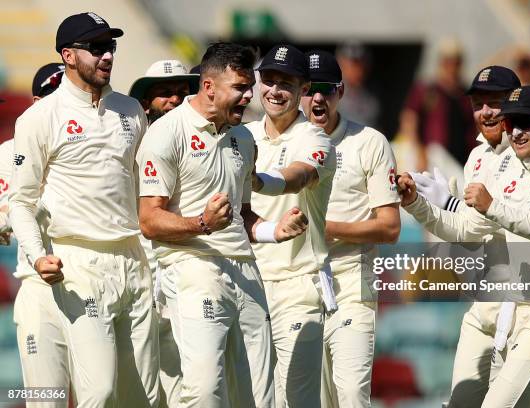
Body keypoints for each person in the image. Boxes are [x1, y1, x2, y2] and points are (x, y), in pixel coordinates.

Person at [138, 42, 308, 408]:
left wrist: (274, 231)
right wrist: (202, 223)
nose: (249, 96)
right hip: (192, 269)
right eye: (239, 88)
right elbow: (150, 220)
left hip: (245, 270)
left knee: (260, 396)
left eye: (249, 87)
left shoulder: (244, 138)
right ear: (209, 86)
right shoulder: (166, 133)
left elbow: (243, 215)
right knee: (205, 391)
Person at [399, 85, 530, 407]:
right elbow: (469, 229)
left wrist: (494, 207)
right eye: (510, 123)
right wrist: (417, 205)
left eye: (526, 123)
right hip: (515, 305)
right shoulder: (509, 169)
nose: (516, 132)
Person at [9, 12, 158, 407]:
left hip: (132, 257)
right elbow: (20, 203)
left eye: (110, 46)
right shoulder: (40, 117)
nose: (107, 55)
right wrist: (39, 257)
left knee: (141, 395)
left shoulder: (130, 110)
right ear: (68, 56)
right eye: (96, 47)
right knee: (94, 392)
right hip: (77, 264)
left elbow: (143, 187)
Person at [408, 66, 526, 407]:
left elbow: (495, 222)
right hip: (483, 299)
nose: (485, 112)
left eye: (495, 102)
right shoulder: (475, 157)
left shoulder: (529, 155)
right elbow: (471, 235)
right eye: (478, 103)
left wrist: (448, 204)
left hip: (524, 304)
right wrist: (430, 207)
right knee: (461, 401)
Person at [300, 50, 401, 408]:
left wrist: (330, 229)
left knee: (353, 394)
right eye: (308, 88)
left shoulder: (369, 142)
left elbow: (390, 228)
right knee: (305, 397)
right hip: (294, 282)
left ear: (340, 92)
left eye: (325, 90)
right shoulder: (279, 142)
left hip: (352, 281)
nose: (316, 98)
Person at [246, 44, 336, 408]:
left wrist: (255, 180)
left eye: (286, 83)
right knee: (253, 397)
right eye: (269, 81)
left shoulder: (315, 138)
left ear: (304, 89)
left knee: (295, 399)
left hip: (298, 285)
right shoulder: (244, 134)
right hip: (249, 282)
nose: (275, 91)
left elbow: (298, 177)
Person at [0, 62, 74, 408]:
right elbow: (5, 209)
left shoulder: (95, 144)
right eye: (50, 97)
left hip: (96, 279)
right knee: (47, 397)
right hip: (38, 280)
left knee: (103, 394)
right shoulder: (8, 151)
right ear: (34, 103)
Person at [129, 59, 198, 408]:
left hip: (184, 263)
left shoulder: (203, 140)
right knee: (141, 381)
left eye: (182, 93)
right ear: (146, 102)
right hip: (138, 267)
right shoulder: (129, 142)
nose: (174, 100)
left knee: (187, 378)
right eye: (164, 93)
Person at [399, 38, 476, 171]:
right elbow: (409, 121)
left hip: (463, 160)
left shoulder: (466, 94)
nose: (452, 67)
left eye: (456, 62)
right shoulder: (427, 90)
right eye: (448, 62)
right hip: (435, 159)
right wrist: (420, 152)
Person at [129, 59, 199, 125]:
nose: (175, 99)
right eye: (165, 93)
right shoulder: (135, 136)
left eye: (182, 92)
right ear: (145, 104)